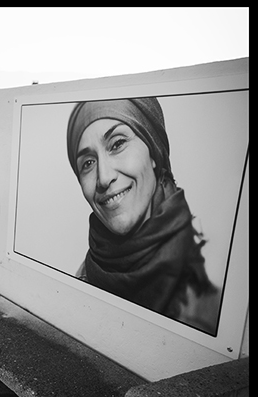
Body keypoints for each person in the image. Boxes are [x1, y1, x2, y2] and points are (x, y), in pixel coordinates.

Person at [66, 97, 220, 334]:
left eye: (117, 144)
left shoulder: (218, 276)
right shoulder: (87, 275)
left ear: (153, 152)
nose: (104, 177)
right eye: (87, 163)